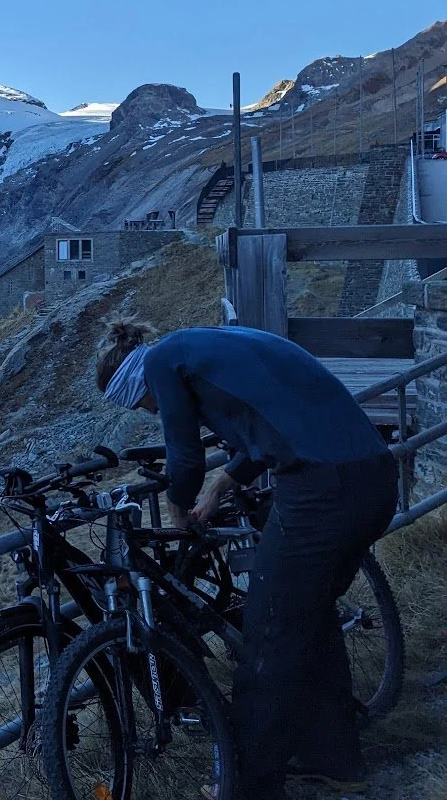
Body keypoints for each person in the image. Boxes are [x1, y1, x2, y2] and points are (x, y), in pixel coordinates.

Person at [95, 319, 398, 800]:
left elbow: (184, 452)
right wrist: (222, 485)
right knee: (310, 616)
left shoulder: (158, 364)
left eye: (141, 405)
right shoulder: (205, 343)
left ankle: (247, 785)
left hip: (322, 490)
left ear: (136, 384)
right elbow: (270, 424)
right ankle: (336, 761)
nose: (150, 411)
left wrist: (178, 518)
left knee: (268, 632)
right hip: (373, 478)